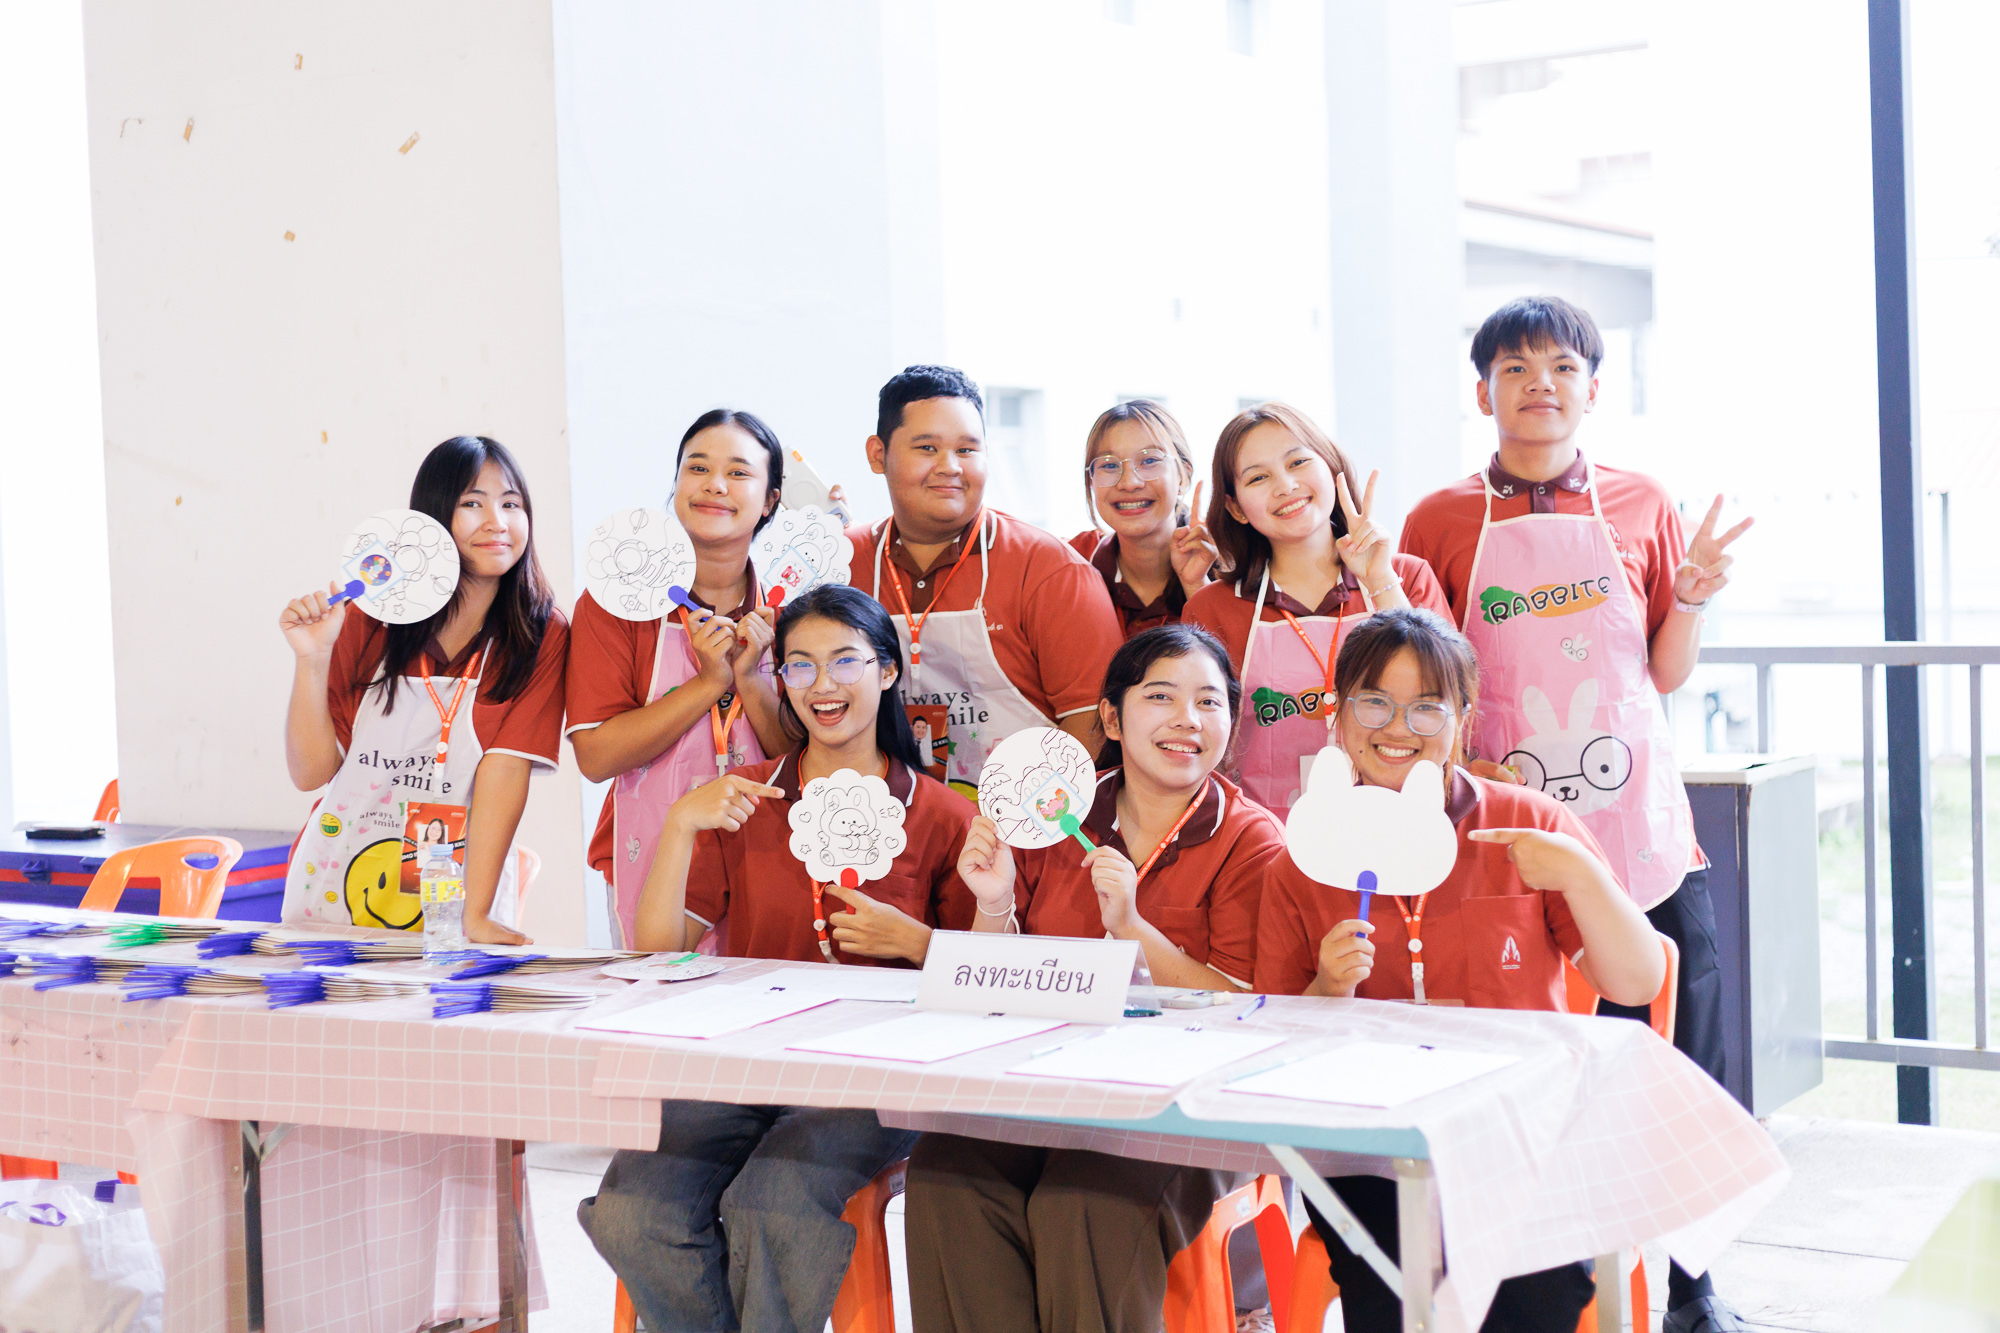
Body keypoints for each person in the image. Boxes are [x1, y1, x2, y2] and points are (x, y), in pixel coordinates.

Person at [1398, 296, 1752, 1333]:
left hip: (1642, 832)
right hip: (1508, 842)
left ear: (1593, 387)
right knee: (1537, 1069)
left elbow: (1664, 671)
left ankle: (1690, 1287)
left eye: (1560, 366)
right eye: (1514, 369)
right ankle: (1543, 1288)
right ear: (1482, 394)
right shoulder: (1437, 519)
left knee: (1679, 1063)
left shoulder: (1642, 501)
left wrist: (1690, 594)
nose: (1538, 384)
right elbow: (1427, 677)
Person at [577, 583, 976, 1333]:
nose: (824, 684)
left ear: (888, 670)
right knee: (632, 1210)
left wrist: (916, 943)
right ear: (779, 677)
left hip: (875, 1078)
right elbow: (658, 950)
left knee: (773, 1202)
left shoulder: (942, 813)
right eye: (800, 665)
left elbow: (993, 979)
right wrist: (680, 824)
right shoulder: (746, 799)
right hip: (743, 1066)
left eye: (845, 660)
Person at [1256, 608, 1665, 1333]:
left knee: (1535, 1287)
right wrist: (1326, 989)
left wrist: (1581, 876)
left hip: (1521, 1131)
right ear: (1338, 714)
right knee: (1388, 1284)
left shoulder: (1527, 825)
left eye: (1428, 707)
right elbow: (1271, 1042)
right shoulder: (1304, 858)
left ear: (1465, 719)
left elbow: (1637, 983)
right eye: (1373, 701)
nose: (1398, 727)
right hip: (1368, 1142)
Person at [906, 623, 1285, 1333]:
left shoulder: (1250, 838)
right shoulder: (1050, 815)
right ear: (1111, 718)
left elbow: (1243, 1004)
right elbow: (995, 982)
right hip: (1046, 1094)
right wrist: (994, 902)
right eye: (1161, 696)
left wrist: (1134, 929)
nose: (1187, 719)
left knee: (1083, 1201)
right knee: (945, 1174)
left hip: (1184, 1109)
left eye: (1209, 702)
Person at [278, 435, 567, 944]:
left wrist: (476, 915)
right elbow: (310, 774)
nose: (497, 521)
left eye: (511, 504)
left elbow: (504, 772)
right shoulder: (370, 617)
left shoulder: (540, 634)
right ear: (433, 515)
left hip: (460, 889)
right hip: (337, 879)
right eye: (472, 503)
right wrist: (312, 660)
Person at [565, 408, 791, 947]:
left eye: (738, 472)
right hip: (650, 858)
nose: (715, 485)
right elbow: (596, 757)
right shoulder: (615, 604)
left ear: (770, 500)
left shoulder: (794, 612)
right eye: (698, 468)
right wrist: (708, 684)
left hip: (768, 860)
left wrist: (749, 680)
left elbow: (805, 759)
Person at [847, 365, 1124, 794]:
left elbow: (1094, 723)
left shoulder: (1050, 569)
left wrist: (1022, 819)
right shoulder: (841, 564)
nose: (950, 467)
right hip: (875, 820)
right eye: (927, 448)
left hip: (1026, 821)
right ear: (877, 455)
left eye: (967, 449)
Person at [1182, 403, 1451, 821]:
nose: (1286, 486)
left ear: (1331, 466)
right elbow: (1197, 742)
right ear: (1236, 508)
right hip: (1265, 838)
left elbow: (1444, 697)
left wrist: (1380, 579)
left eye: (1298, 462)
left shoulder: (1406, 577)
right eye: (1258, 477)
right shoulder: (1212, 608)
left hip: (1399, 828)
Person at [1069, 400, 1218, 638]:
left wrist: (1196, 585)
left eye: (1149, 461)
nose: (1129, 483)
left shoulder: (1233, 566)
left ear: (1183, 476)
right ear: (1091, 482)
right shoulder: (1070, 564)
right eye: (1109, 465)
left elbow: (1240, 660)